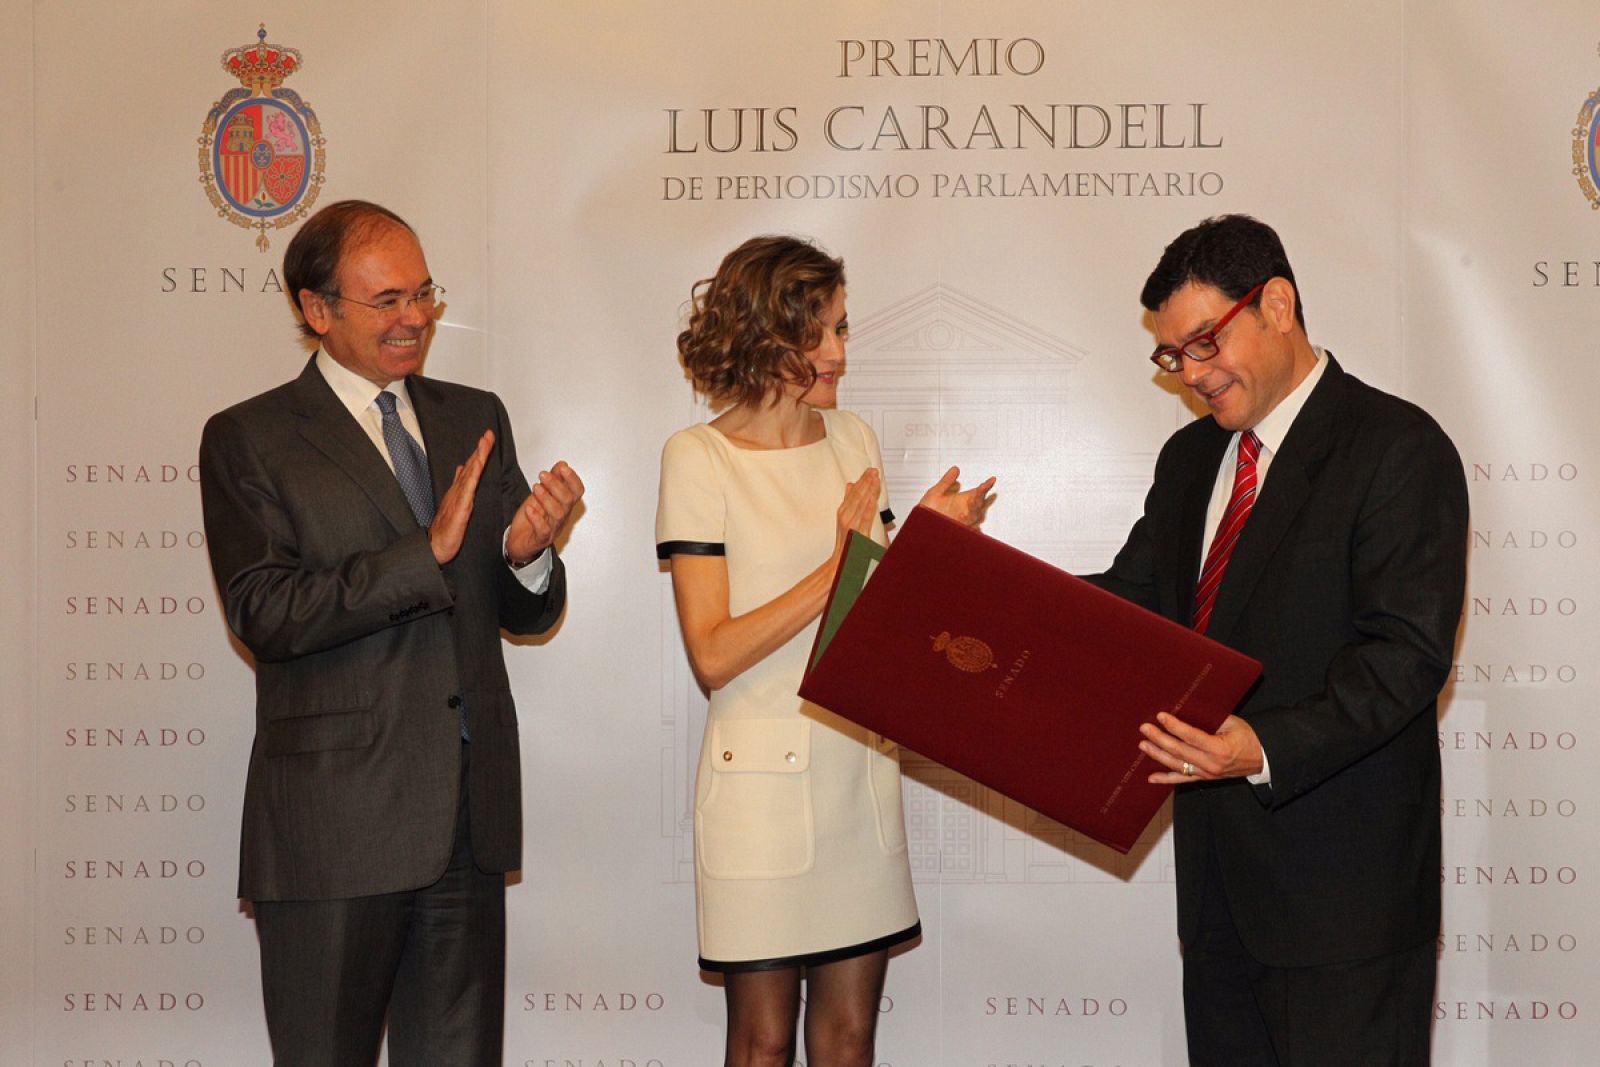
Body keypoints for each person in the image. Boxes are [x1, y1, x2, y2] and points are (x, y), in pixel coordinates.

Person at [198, 199, 583, 1066]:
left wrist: (523, 554)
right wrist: (427, 550)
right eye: (388, 301)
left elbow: (526, 613)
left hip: (464, 822)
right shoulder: (249, 438)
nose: (414, 318)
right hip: (333, 827)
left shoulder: (472, 413)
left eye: (424, 294)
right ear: (316, 309)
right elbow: (265, 611)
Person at [1085, 214, 1467, 1066]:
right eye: (1172, 356)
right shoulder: (1189, 461)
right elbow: (1127, 612)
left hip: (1348, 906)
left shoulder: (1396, 447)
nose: (1190, 374)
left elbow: (1405, 654)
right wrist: (953, 578)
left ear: (1279, 304)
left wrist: (1260, 745)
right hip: (1218, 899)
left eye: (1204, 343)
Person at [656, 235, 994, 1066]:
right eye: (822, 333)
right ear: (766, 333)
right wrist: (841, 563)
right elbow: (712, 651)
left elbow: (875, 618)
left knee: (849, 1039)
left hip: (858, 786)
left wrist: (923, 549)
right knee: (762, 1041)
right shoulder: (698, 457)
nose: (841, 352)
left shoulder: (855, 440)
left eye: (845, 327)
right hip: (757, 800)